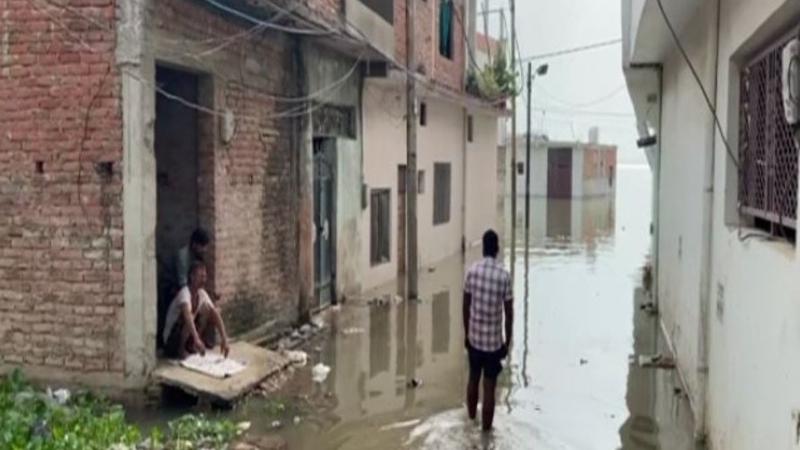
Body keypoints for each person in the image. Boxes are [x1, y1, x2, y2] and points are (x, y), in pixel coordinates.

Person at [463, 229, 513, 431]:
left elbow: (465, 305)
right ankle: (485, 435)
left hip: (474, 340)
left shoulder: (472, 272)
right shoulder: (504, 276)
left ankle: (470, 421)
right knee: (489, 387)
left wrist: (467, 334)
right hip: (493, 344)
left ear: (483, 248)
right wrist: (507, 342)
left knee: (473, 379)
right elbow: (509, 313)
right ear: (497, 250)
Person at [163, 260, 230, 359]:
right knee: (190, 316)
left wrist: (224, 338)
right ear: (192, 277)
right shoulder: (184, 293)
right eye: (201, 276)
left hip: (189, 337)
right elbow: (187, 316)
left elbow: (214, 313)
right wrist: (197, 339)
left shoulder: (201, 293)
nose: (204, 279)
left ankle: (192, 345)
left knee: (208, 310)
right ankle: (181, 349)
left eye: (205, 276)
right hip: (171, 341)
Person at [158, 228, 213, 346]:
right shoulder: (182, 256)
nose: (204, 250)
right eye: (202, 247)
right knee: (188, 311)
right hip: (174, 288)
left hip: (190, 287)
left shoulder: (199, 258)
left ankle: (197, 339)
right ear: (194, 245)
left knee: (207, 306)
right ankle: (183, 344)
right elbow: (182, 282)